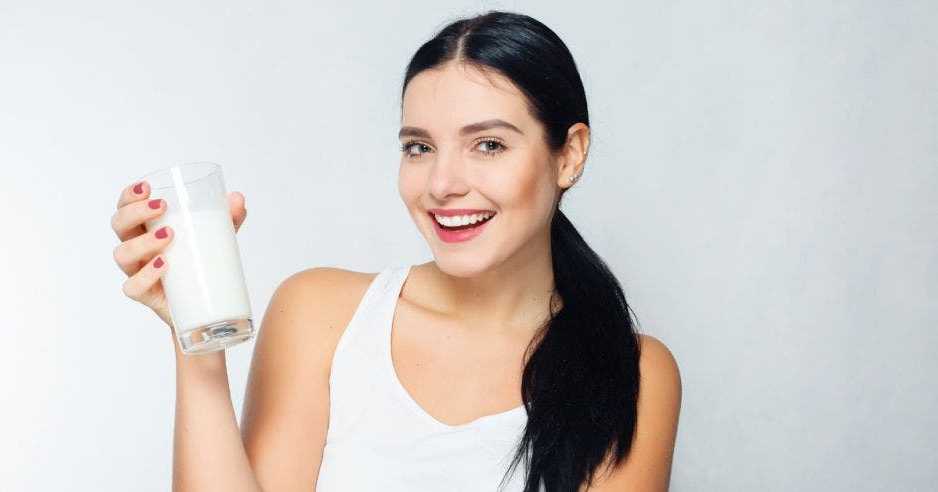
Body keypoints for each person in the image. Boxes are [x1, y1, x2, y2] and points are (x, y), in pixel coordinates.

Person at [110, 10, 681, 492]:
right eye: (419, 147)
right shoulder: (321, 314)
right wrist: (196, 338)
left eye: (488, 144)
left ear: (569, 155)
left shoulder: (633, 372)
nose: (442, 183)